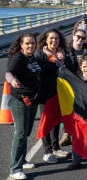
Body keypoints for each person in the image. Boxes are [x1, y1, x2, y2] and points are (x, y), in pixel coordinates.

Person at [34, 28, 75, 164]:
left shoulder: (64, 55)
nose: (54, 41)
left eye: (56, 38)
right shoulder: (40, 55)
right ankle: (47, 151)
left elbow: (71, 71)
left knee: (57, 120)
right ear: (46, 40)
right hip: (46, 94)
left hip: (61, 93)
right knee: (47, 120)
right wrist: (54, 81)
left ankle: (56, 147)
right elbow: (39, 76)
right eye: (51, 38)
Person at [6, 33, 42, 180]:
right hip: (20, 100)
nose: (30, 46)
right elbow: (9, 73)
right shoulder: (19, 58)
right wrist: (12, 81)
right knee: (20, 134)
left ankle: (22, 160)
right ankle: (14, 168)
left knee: (26, 132)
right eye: (27, 43)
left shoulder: (32, 57)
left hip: (32, 101)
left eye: (33, 43)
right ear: (21, 45)